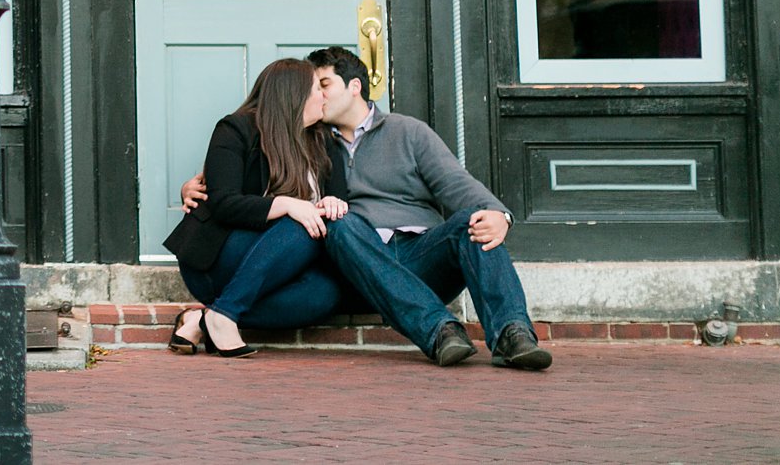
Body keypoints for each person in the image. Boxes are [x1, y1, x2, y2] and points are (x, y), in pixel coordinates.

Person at [181, 48, 554, 370]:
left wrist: (499, 215)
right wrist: (199, 186)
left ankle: (512, 335)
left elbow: (456, 185)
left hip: (417, 253)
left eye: (324, 85)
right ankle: (440, 332)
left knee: (470, 223)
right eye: (315, 90)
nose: (320, 97)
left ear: (354, 87)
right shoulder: (311, 141)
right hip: (354, 261)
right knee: (338, 224)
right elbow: (242, 183)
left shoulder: (407, 133)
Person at [163, 58, 352, 359]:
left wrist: (333, 203)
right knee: (301, 220)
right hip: (218, 259)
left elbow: (339, 199)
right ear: (295, 94)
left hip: (283, 268)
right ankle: (225, 313)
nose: (325, 95)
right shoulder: (236, 129)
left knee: (324, 295)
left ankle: (208, 318)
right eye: (318, 88)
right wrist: (289, 204)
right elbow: (224, 204)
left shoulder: (324, 141)